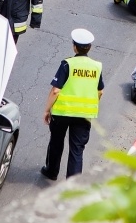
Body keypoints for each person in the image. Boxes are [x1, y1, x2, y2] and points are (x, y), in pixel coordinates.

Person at [40, 28, 104, 180]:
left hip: (62, 113)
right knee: (77, 149)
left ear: (74, 47)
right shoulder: (97, 66)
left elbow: (56, 90)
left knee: (56, 142)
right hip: (84, 115)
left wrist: (46, 110)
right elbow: (100, 92)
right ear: (90, 47)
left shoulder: (67, 64)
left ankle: (52, 171)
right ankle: (72, 186)